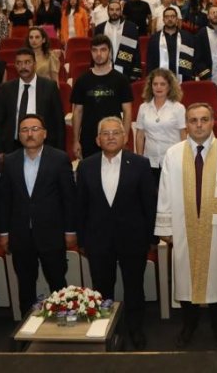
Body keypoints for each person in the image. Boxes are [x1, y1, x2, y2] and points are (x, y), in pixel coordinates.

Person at [155, 103, 217, 349]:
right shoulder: (173, 154)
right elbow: (164, 192)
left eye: (203, 119)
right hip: (183, 228)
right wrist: (165, 229)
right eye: (193, 120)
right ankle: (189, 324)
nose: (198, 125)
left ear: (213, 121)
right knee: (185, 279)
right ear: (186, 123)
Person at [77, 116, 156, 350]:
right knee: (102, 288)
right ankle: (107, 329)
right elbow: (80, 206)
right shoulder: (86, 166)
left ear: (125, 137)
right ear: (97, 140)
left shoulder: (140, 164)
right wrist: (82, 240)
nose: (111, 137)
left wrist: (151, 238)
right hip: (98, 240)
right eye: (105, 134)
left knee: (134, 287)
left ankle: (135, 328)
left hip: (134, 239)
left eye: (116, 133)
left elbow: (149, 205)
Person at [0, 113, 77, 316]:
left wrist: (70, 230)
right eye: (24, 130)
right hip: (20, 235)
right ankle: (26, 329)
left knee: (58, 283)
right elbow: (5, 199)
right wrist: (4, 233)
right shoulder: (9, 161)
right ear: (19, 135)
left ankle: (63, 325)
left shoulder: (59, 158)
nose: (30, 134)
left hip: (52, 233)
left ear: (44, 133)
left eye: (34, 129)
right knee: (25, 285)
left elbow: (69, 198)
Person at [71, 34, 133, 159]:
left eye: (103, 50)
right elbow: (77, 112)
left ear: (110, 52)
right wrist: (75, 140)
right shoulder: (82, 80)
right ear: (91, 53)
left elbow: (127, 110)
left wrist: (124, 135)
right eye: (95, 50)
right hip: (88, 138)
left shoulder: (121, 79)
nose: (98, 54)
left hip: (113, 137)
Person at [0, 47, 65, 156]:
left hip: (44, 145)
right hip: (13, 147)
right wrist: (0, 150)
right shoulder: (6, 89)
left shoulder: (49, 87)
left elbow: (59, 121)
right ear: (15, 66)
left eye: (27, 62)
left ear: (35, 64)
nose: (23, 67)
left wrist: (60, 151)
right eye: (19, 63)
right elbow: (0, 122)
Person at [135, 68, 187, 182]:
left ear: (169, 86)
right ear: (151, 86)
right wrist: (140, 159)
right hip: (149, 160)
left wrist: (184, 158)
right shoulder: (143, 107)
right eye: (155, 84)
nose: (158, 87)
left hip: (172, 160)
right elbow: (139, 135)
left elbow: (183, 136)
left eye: (162, 84)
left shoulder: (178, 108)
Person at [95, 0, 142, 81]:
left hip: (125, 68)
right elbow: (95, 50)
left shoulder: (131, 27)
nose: (114, 12)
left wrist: (135, 72)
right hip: (104, 68)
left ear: (121, 11)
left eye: (117, 10)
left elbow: (135, 51)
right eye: (111, 10)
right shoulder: (100, 28)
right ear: (108, 11)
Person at [145, 5, 197, 80]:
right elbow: (150, 61)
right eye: (167, 17)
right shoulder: (154, 39)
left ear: (176, 19)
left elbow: (192, 59)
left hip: (183, 78)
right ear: (163, 20)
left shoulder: (187, 37)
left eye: (172, 16)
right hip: (160, 79)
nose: (170, 19)